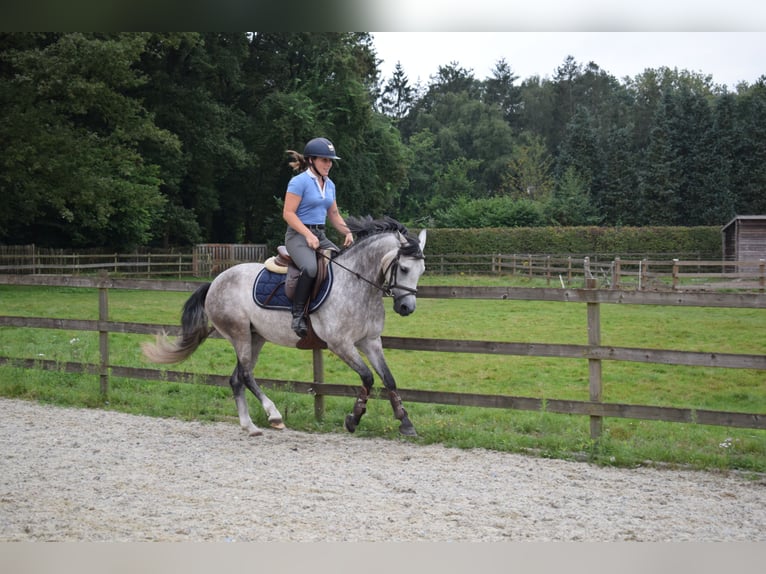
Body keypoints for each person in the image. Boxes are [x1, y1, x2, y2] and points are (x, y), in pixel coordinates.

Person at [282, 137, 354, 337]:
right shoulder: (299, 182)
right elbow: (288, 214)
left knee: (342, 263)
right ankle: (297, 315)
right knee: (311, 268)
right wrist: (306, 234)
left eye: (330, 161)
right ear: (311, 160)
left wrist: (347, 231)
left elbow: (333, 214)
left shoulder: (330, 184)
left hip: (319, 234)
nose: (329, 164)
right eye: (325, 160)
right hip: (297, 235)